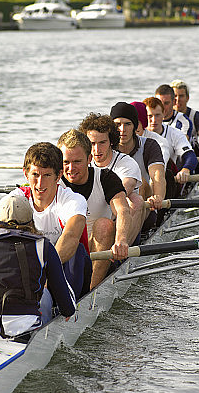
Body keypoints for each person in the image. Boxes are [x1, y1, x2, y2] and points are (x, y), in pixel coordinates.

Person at [0, 195, 76, 340]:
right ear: (31, 221)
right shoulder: (44, 246)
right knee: (46, 295)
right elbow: (67, 308)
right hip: (25, 329)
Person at [8, 142, 90, 308]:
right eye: (35, 175)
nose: (39, 184)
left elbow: (71, 236)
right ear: (25, 173)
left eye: (46, 175)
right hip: (30, 276)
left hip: (65, 274)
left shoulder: (72, 200)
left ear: (58, 176)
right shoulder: (15, 200)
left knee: (78, 252)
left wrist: (43, 273)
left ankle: (64, 306)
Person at [58, 129, 131, 287]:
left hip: (98, 250)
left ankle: (90, 291)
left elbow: (122, 210)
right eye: (66, 162)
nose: (71, 168)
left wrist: (121, 240)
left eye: (77, 161)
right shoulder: (53, 182)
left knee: (104, 225)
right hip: (65, 247)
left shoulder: (106, 178)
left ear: (89, 159)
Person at [79, 112, 146, 245]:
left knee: (136, 201)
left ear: (111, 141)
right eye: (92, 143)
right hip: (91, 221)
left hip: (117, 221)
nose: (97, 149)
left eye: (102, 142)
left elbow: (124, 189)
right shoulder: (78, 163)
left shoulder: (127, 163)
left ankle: (120, 250)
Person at [109, 102, 166, 211]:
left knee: (141, 183)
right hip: (115, 204)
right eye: (117, 125)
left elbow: (157, 174)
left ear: (135, 126)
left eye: (127, 124)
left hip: (144, 205)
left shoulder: (149, 145)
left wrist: (158, 197)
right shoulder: (104, 147)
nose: (122, 129)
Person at [143, 96, 198, 188]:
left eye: (157, 115)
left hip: (169, 181)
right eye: (150, 116)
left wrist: (186, 169)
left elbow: (190, 155)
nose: (154, 120)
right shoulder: (138, 134)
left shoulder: (175, 133)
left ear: (163, 113)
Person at [170, 79, 199, 165]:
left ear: (187, 98)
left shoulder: (196, 117)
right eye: (175, 96)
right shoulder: (162, 116)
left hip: (192, 159)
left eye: (181, 96)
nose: (177, 100)